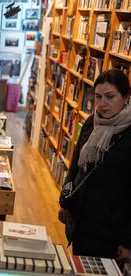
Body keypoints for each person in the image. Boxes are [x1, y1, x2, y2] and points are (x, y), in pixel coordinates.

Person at [58, 69, 131, 264]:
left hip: (111, 231)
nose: (102, 104)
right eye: (98, 97)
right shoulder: (92, 123)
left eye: (110, 96)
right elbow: (75, 167)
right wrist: (66, 201)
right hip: (81, 222)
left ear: (126, 97)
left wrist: (128, 242)